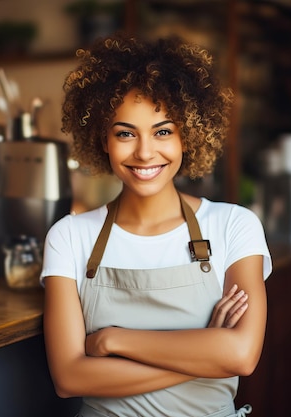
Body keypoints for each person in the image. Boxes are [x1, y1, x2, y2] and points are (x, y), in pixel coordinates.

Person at [41, 33, 272, 417]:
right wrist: (205, 350)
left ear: (188, 135)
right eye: (125, 133)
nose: (145, 152)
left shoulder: (234, 226)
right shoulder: (69, 237)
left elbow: (241, 356)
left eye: (163, 131)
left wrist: (115, 341)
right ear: (103, 138)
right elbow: (69, 378)